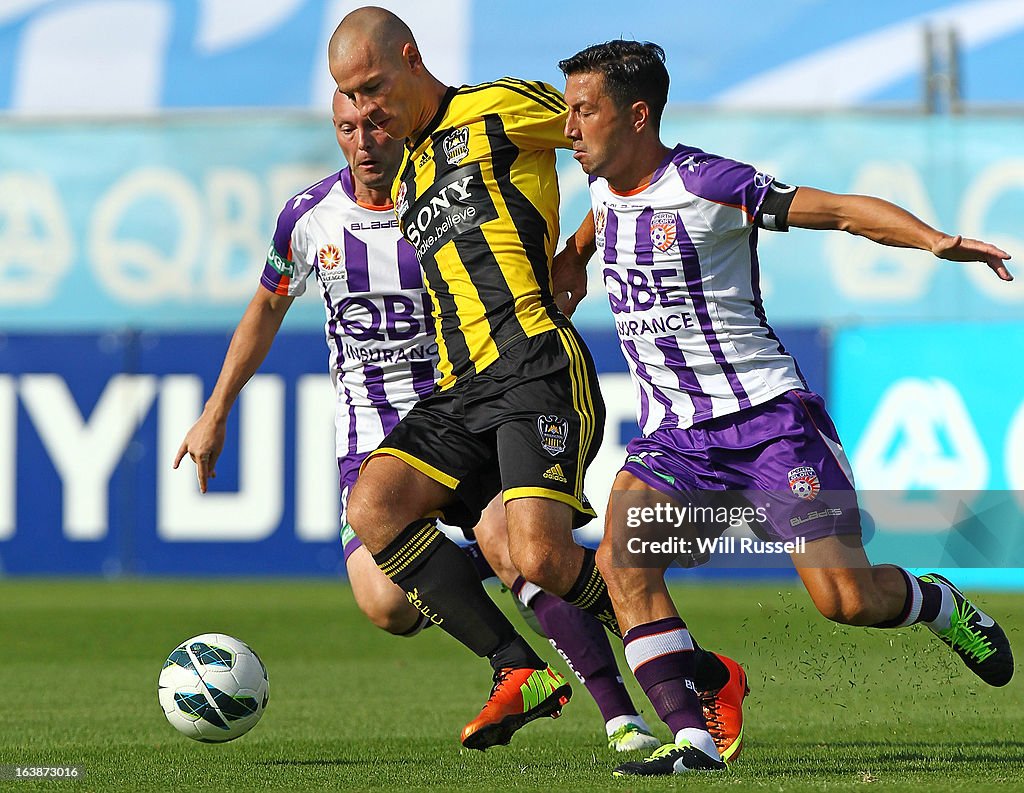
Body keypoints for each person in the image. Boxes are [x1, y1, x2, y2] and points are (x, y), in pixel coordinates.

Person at [557, 39, 1015, 776]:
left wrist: (935, 240)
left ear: (637, 115)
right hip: (677, 438)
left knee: (847, 598)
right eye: (568, 111)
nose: (570, 128)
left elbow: (836, 211)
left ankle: (939, 604)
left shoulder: (709, 183)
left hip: (771, 423)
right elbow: (581, 245)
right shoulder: (603, 192)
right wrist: (565, 270)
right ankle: (694, 741)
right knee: (624, 559)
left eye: (585, 111)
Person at [173, 90, 660, 753]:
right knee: (388, 604)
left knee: (516, 548)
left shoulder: (440, 198)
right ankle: (528, 597)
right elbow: (265, 307)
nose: (365, 141)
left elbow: (608, 162)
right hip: (370, 438)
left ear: (399, 122)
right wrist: (215, 409)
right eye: (348, 128)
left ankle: (619, 715)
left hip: (467, 411)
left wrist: (572, 249)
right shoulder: (307, 217)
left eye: (376, 124)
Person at [326, 7, 748, 752]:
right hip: (460, 388)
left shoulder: (500, 107)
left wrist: (580, 248)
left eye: (372, 86)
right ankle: (517, 665)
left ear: (411, 57)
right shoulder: (410, 166)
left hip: (532, 364)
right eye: (350, 97)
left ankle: (696, 679)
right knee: (374, 505)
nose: (366, 108)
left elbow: (620, 148)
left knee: (541, 558)